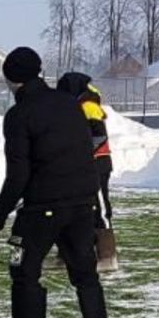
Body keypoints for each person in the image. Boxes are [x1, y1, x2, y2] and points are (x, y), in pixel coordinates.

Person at [0, 47, 129, 318]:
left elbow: (18, 175)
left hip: (43, 209)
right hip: (81, 203)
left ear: (10, 79)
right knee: (86, 276)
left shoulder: (19, 115)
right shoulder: (69, 104)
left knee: (24, 273)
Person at [57, 72, 117, 272]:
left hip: (97, 164)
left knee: (99, 205)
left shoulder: (89, 106)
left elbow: (99, 135)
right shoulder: (74, 107)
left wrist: (81, 152)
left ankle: (107, 254)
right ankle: (70, 252)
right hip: (81, 165)